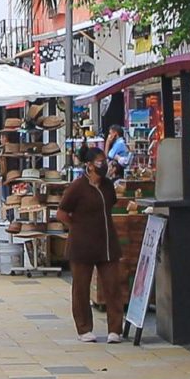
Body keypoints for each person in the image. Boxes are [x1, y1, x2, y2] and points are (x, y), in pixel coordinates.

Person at [57, 147, 124, 344]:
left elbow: (111, 205)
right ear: (89, 165)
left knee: (112, 286)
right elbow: (61, 213)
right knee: (81, 288)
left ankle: (115, 329)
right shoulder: (77, 187)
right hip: (82, 244)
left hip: (106, 242)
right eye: (99, 162)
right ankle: (84, 328)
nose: (103, 165)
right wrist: (76, 227)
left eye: (104, 161)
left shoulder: (107, 186)